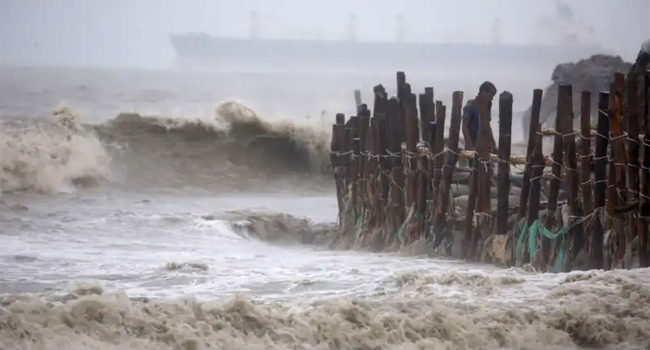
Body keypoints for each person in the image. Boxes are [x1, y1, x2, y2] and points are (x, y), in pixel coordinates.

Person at [462, 81, 499, 156]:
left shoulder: (488, 105)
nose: (491, 99)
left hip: (485, 145)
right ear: (483, 92)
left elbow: (487, 126)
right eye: (491, 95)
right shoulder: (470, 106)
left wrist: (493, 145)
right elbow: (464, 127)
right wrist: (470, 146)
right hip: (473, 144)